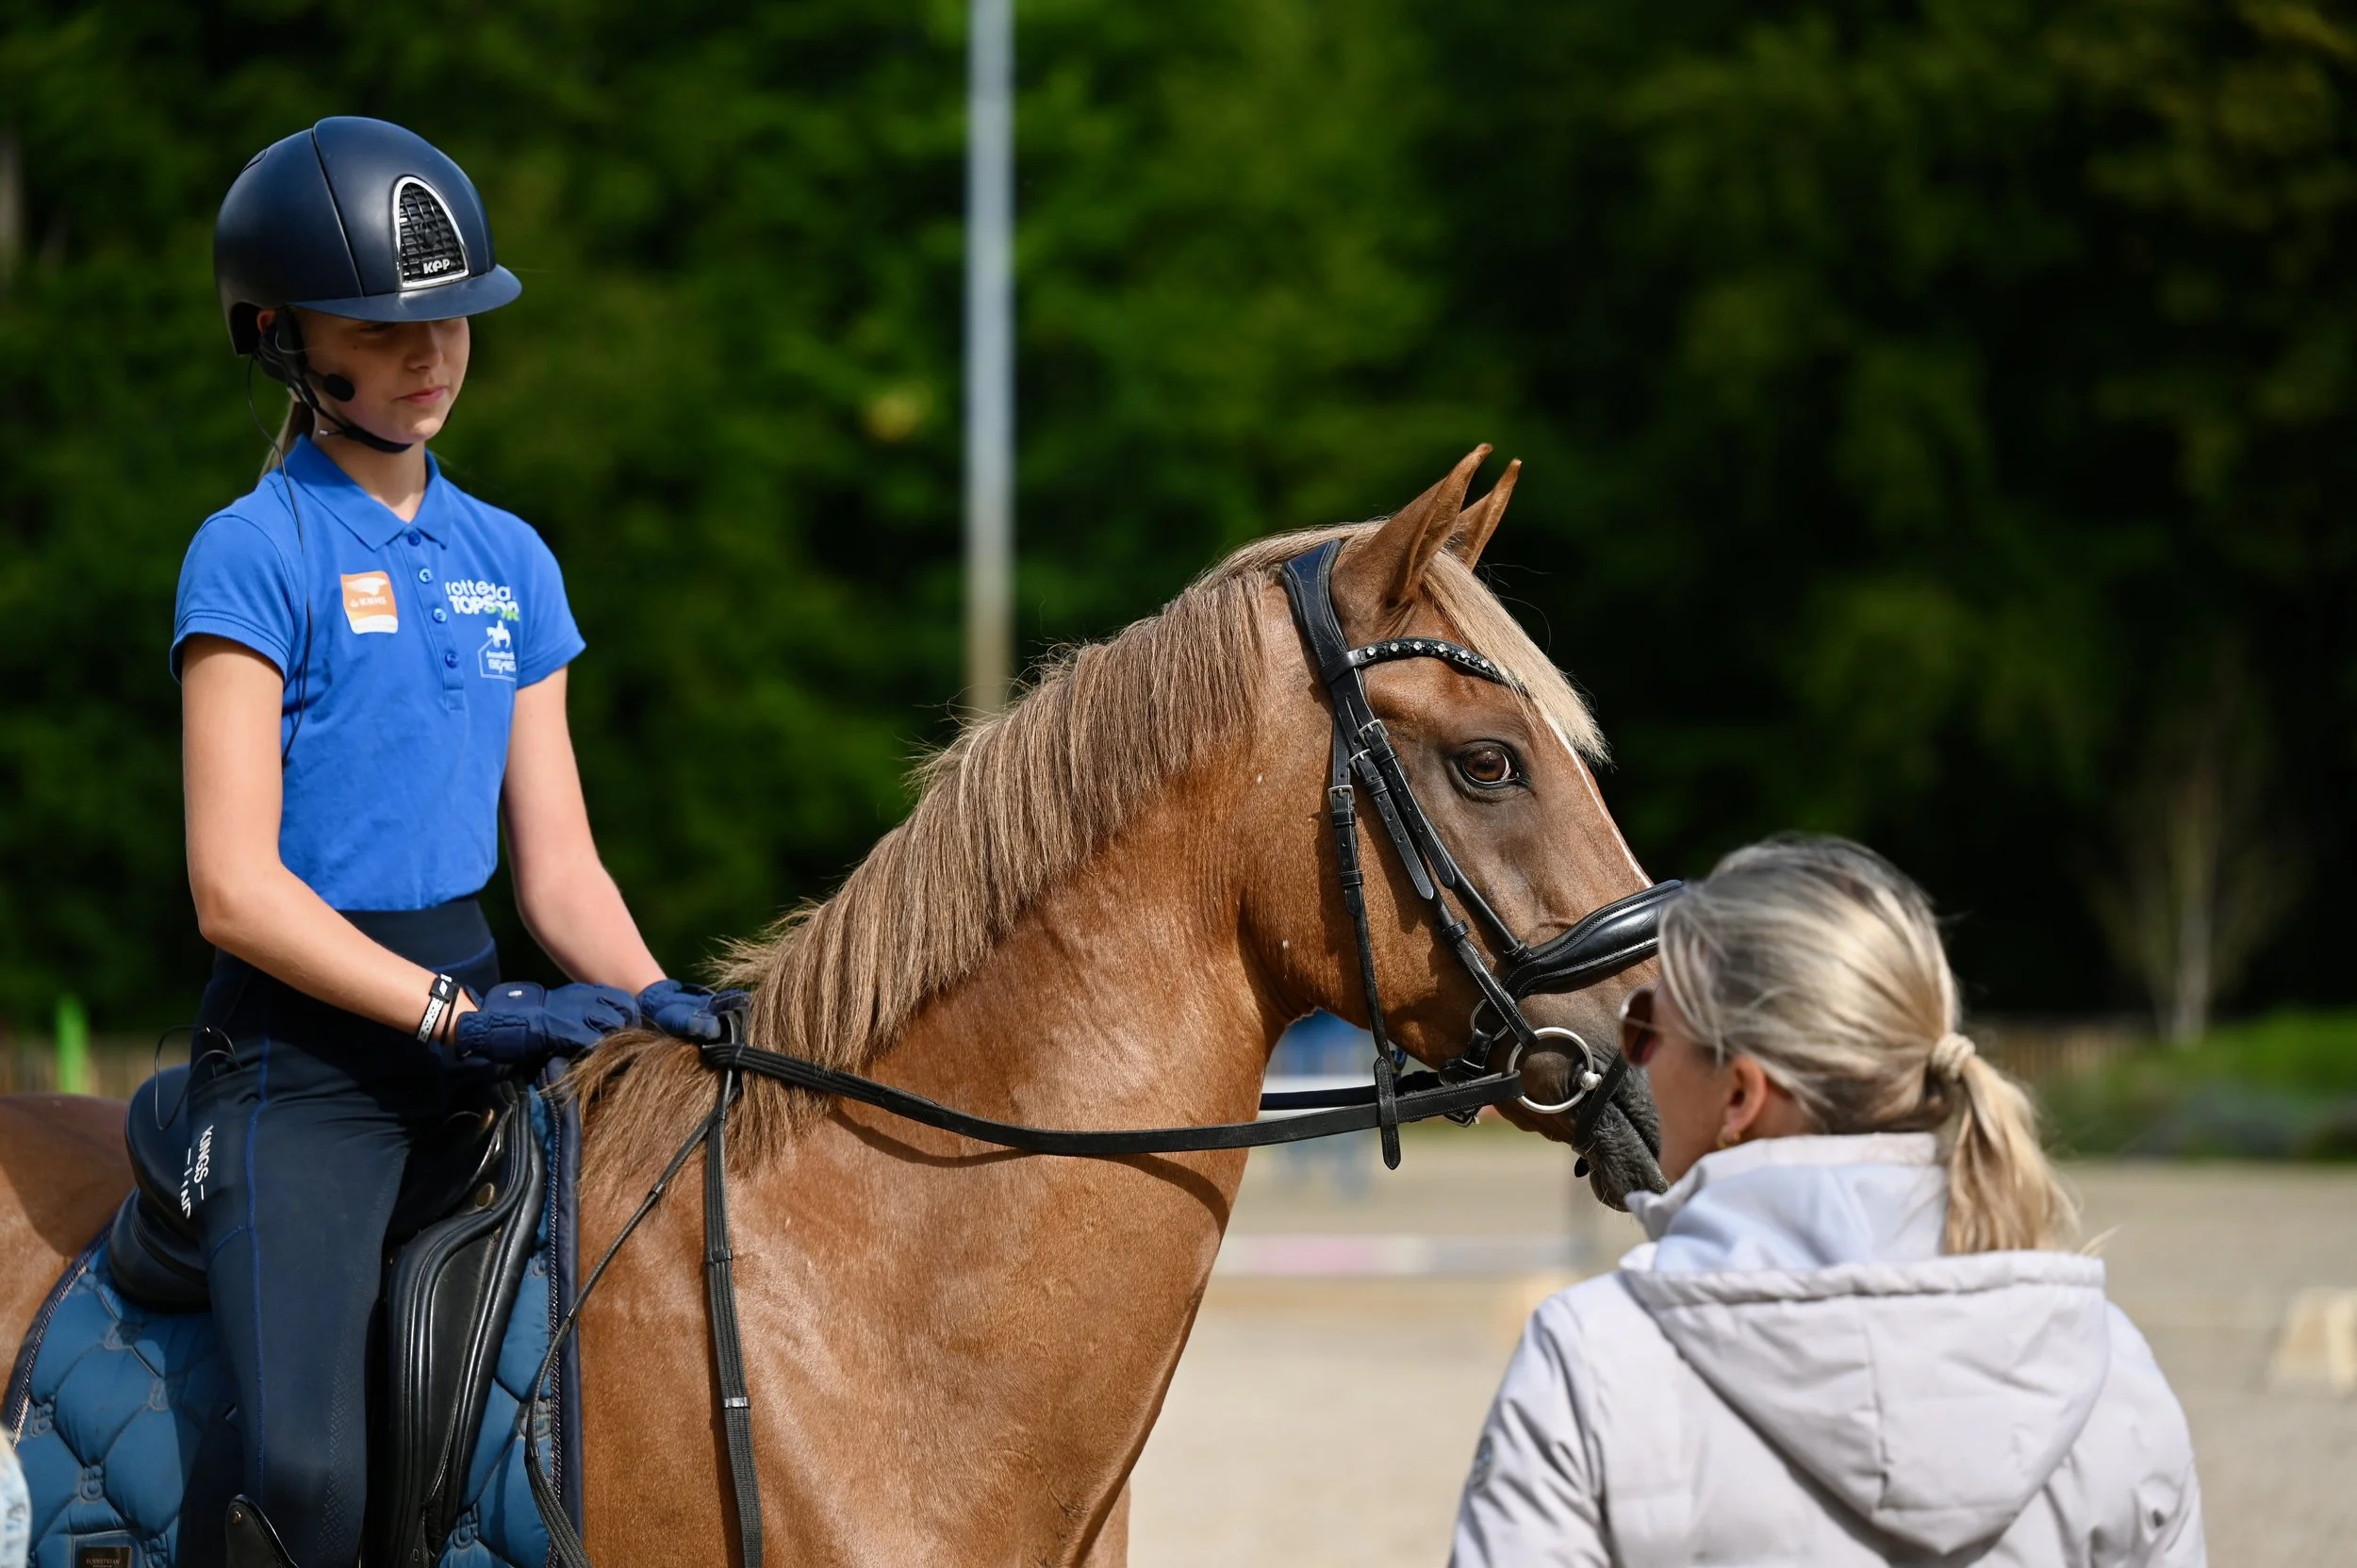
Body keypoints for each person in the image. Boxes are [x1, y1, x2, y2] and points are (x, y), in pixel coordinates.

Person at [179, 117, 730, 1568]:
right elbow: (232, 886)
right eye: (384, 326)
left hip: (481, 1039)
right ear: (285, 337)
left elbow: (560, 869)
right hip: (305, 1070)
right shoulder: (254, 550)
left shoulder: (513, 559)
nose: (432, 353)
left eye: (453, 318)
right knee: (306, 1475)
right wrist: (449, 1011)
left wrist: (664, 997)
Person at [1452, 836, 2203, 1567]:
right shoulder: (2110, 1368)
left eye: (1648, 1025)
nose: (1633, 1055)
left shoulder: (1589, 1362)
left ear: (1739, 1095)